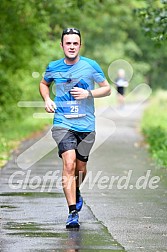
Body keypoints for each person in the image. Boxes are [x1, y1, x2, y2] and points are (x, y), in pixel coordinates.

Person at [39, 28, 111, 229]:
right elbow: (44, 83)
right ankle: (72, 212)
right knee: (69, 164)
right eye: (68, 43)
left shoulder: (90, 66)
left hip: (86, 125)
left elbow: (107, 88)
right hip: (62, 123)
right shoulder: (54, 66)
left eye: (75, 43)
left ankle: (76, 189)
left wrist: (89, 93)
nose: (71, 46)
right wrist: (47, 99)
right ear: (61, 45)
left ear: (80, 45)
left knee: (80, 168)